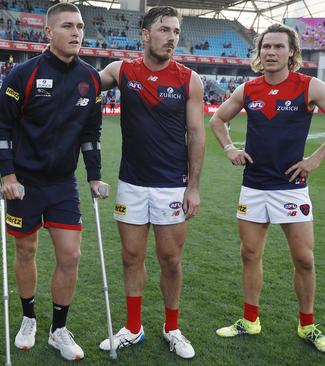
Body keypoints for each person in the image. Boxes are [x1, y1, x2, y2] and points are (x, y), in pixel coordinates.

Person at [208, 23, 325, 355]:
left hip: (291, 188)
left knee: (304, 259)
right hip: (254, 186)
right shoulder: (248, 90)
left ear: (292, 52)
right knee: (250, 254)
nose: (271, 52)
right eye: (266, 47)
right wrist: (229, 148)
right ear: (259, 53)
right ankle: (250, 320)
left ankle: (307, 325)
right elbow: (217, 120)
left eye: (278, 47)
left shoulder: (309, 86)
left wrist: (316, 159)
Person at [0, 3, 107, 361]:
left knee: (70, 256)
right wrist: (8, 175)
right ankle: (28, 318)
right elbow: (0, 128)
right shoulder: (23, 74)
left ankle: (59, 329)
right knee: (26, 251)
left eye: (81, 27)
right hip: (23, 183)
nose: (77, 33)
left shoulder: (91, 78)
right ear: (48, 33)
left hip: (62, 184)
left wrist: (95, 176)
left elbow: (91, 132)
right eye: (68, 26)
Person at [96, 6, 205, 359]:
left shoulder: (189, 78)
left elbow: (197, 134)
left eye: (175, 31)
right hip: (131, 182)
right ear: (145, 34)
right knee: (131, 257)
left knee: (170, 260)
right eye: (164, 30)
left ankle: (172, 328)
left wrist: (193, 187)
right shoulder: (122, 71)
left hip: (172, 184)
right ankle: (133, 327)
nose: (171, 37)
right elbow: (82, 87)